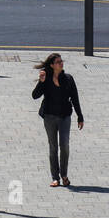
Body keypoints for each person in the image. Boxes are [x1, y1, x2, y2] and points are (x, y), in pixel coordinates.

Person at [32, 52, 84, 186]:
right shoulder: (46, 78)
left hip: (65, 116)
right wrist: (41, 82)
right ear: (52, 65)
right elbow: (35, 95)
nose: (61, 63)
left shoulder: (68, 79)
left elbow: (75, 98)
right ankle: (55, 178)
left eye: (61, 61)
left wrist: (80, 116)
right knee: (53, 147)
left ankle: (64, 175)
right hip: (49, 117)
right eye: (58, 62)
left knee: (64, 146)